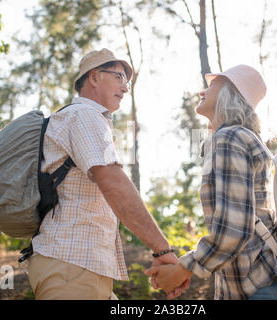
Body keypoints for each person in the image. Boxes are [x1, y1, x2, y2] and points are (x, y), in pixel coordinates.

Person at [27, 48, 187, 300]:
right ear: (93, 77)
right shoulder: (84, 114)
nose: (125, 88)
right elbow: (112, 181)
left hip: (79, 266)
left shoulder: (81, 118)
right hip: (71, 266)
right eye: (119, 77)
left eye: (128, 82)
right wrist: (161, 249)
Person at [145, 65, 277, 300]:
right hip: (265, 287)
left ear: (231, 92)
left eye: (211, 86)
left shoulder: (229, 138)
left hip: (264, 290)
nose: (202, 92)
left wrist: (183, 269)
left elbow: (234, 229)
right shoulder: (240, 137)